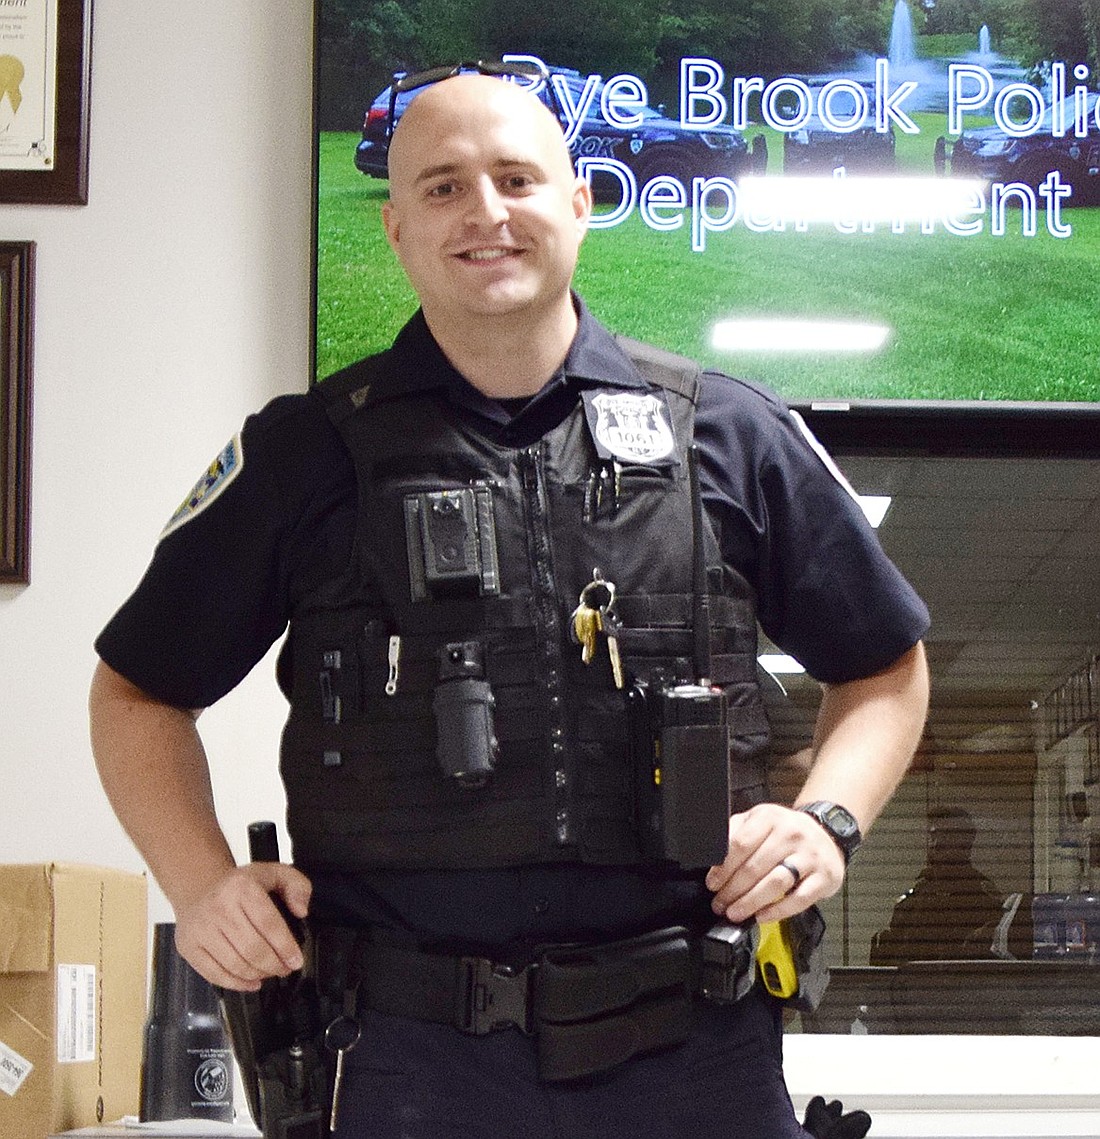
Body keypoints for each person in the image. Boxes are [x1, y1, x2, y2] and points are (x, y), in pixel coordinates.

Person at [90, 68, 930, 1138]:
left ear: (578, 205)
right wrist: (199, 884)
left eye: (515, 178)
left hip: (692, 1056)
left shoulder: (726, 432)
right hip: (404, 1062)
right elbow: (135, 695)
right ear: (395, 230)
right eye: (441, 188)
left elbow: (885, 668)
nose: (484, 212)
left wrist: (826, 819)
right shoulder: (304, 455)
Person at [870, 807, 1005, 965]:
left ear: (966, 842)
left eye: (946, 836)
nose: (936, 844)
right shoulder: (919, 891)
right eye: (933, 835)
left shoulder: (980, 895)